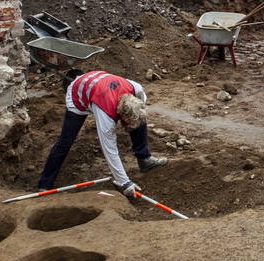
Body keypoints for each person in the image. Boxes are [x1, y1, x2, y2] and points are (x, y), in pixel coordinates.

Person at [37, 69, 167, 198]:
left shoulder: (137, 90)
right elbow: (109, 150)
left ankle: (144, 159)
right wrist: (125, 182)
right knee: (66, 140)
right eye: (128, 122)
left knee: (139, 120)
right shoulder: (106, 115)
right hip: (79, 92)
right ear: (122, 115)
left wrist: (135, 121)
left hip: (100, 83)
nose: (130, 126)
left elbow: (137, 114)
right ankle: (45, 184)